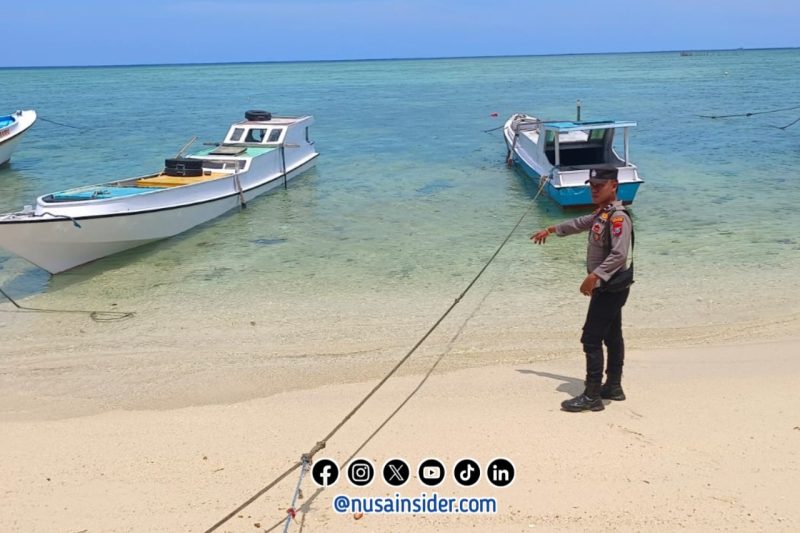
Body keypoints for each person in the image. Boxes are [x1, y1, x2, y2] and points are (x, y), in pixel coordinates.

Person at [531, 167, 634, 412]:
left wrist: (594, 276)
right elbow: (579, 223)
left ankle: (592, 395)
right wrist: (551, 230)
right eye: (592, 185)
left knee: (591, 338)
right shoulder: (603, 214)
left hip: (609, 287)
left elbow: (619, 254)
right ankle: (614, 387)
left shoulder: (618, 218)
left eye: (600, 186)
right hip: (610, 286)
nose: (594, 190)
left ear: (614, 186)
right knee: (612, 335)